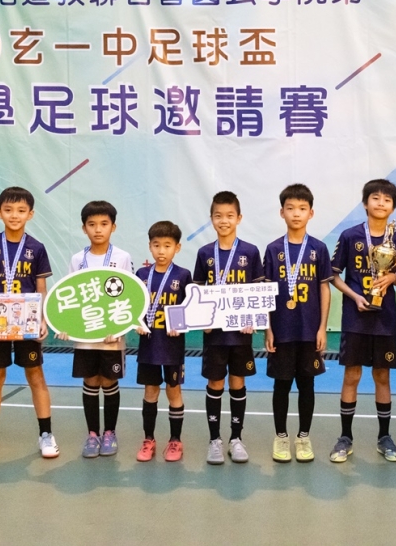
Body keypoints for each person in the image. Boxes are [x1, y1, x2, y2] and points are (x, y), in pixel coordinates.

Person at [0, 187, 58, 459]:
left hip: (26, 322)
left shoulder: (36, 248)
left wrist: (43, 319)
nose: (14, 215)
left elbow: (41, 289)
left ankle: (46, 434)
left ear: (31, 214)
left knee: (35, 375)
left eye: (21, 211)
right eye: (8, 210)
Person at [329, 179, 396, 463]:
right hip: (355, 318)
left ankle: (384, 437)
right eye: (375, 198)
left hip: (384, 319)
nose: (381, 203)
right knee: (351, 376)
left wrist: (392, 277)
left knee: (382, 376)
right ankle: (345, 437)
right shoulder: (350, 236)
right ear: (365, 203)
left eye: (387, 200)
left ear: (393, 207)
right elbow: (334, 275)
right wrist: (354, 297)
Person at [263, 184, 333, 463]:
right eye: (290, 208)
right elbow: (265, 293)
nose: (296, 213)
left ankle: (303, 437)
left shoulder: (318, 248)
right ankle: (281, 436)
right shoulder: (272, 249)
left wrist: (322, 327)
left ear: (311, 213)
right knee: (281, 385)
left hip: (309, 330)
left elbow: (325, 288)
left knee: (307, 384)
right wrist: (268, 328)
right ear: (282, 212)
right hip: (281, 330)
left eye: (302, 208)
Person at [60, 200, 134, 459]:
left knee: (109, 381)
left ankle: (109, 433)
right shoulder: (77, 260)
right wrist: (65, 325)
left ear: (113, 227)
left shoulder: (122, 257)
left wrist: (121, 328)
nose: (98, 229)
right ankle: (93, 434)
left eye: (104, 224)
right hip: (85, 336)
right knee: (90, 381)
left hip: (112, 337)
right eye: (92, 224)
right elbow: (69, 296)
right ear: (84, 228)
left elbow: (130, 296)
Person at [193, 191, 263, 465]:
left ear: (239, 218)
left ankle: (236, 439)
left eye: (229, 216)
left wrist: (253, 319)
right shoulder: (204, 253)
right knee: (215, 383)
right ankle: (215, 440)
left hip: (240, 334)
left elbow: (258, 292)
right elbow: (197, 293)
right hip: (214, 335)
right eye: (218, 216)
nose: (224, 221)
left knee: (238, 382)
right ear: (211, 219)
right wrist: (201, 321)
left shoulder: (250, 252)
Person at [134, 221, 191, 463]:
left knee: (173, 390)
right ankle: (149, 439)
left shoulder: (183, 275)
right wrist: (135, 322)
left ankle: (175, 440)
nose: (161, 251)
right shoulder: (141, 275)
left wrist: (181, 325)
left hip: (172, 347)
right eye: (156, 245)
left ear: (177, 247)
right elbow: (132, 306)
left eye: (167, 245)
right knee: (150, 391)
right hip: (149, 345)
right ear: (150, 246)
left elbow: (189, 309)